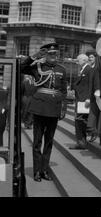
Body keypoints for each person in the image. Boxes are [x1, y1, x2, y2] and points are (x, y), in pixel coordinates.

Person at [21, 43, 67, 182]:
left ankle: (44, 170)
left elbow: (63, 91)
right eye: (50, 54)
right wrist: (34, 56)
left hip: (53, 109)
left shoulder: (62, 69)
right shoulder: (37, 67)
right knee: (37, 142)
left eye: (55, 54)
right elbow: (21, 67)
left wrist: (63, 108)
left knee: (49, 142)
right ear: (46, 55)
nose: (53, 56)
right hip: (40, 108)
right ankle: (36, 171)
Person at [70, 54, 93, 150]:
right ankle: (81, 141)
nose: (77, 61)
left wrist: (88, 98)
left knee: (80, 121)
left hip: (84, 100)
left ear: (84, 60)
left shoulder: (88, 69)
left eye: (78, 60)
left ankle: (81, 142)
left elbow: (91, 84)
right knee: (79, 121)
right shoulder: (83, 69)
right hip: (80, 99)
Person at [86, 50, 98, 143]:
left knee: (94, 116)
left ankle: (94, 133)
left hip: (96, 96)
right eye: (89, 57)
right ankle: (92, 132)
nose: (90, 59)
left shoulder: (97, 68)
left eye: (92, 57)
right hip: (91, 95)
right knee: (92, 116)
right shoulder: (90, 68)